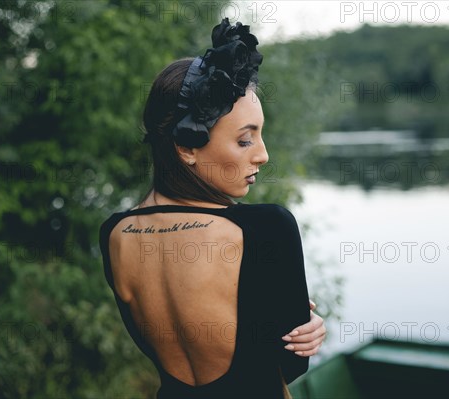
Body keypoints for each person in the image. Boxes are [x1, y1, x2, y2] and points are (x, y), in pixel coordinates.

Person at [99, 18, 326, 399]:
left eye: (260, 135)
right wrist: (302, 327)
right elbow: (290, 365)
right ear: (186, 147)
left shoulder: (115, 233)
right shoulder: (265, 228)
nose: (263, 155)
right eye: (244, 140)